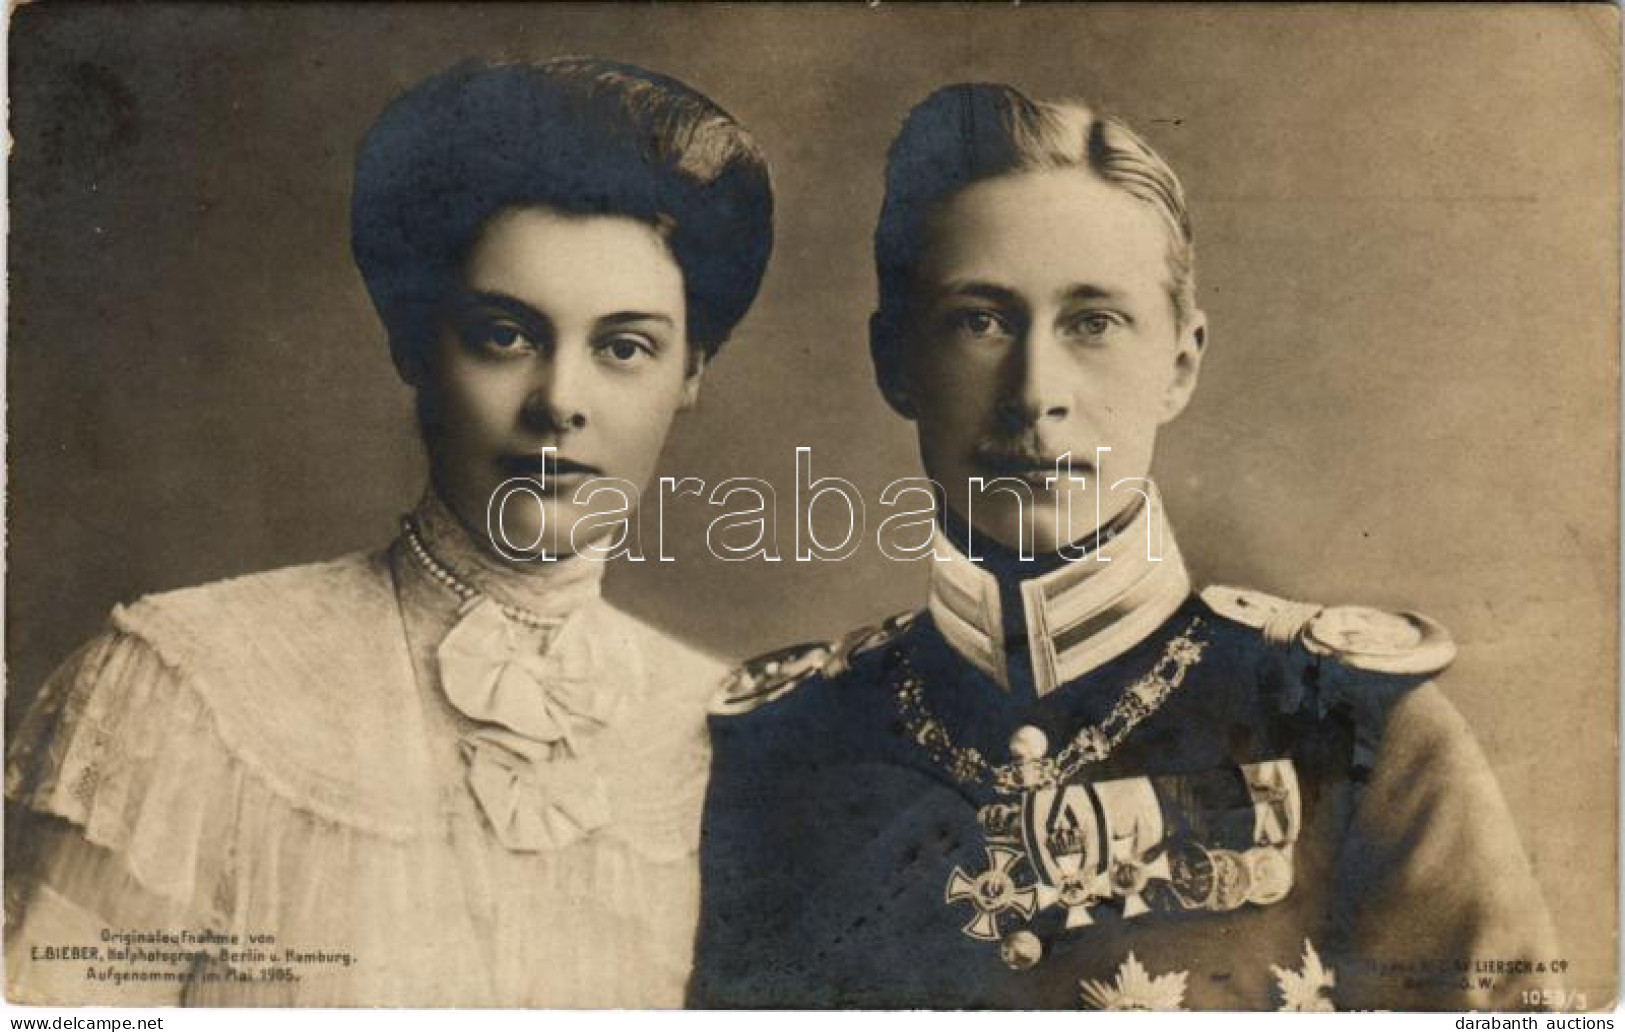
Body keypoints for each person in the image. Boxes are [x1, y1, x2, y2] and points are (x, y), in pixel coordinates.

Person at [690, 83, 1557, 1011]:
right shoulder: (780, 748)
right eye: (979, 319)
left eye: (1092, 323)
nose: (1035, 391)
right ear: (893, 362)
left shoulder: (1358, 728)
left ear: (1179, 362)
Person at [6, 57, 773, 1007]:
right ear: (414, 341)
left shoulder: (737, 741)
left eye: (624, 348)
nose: (559, 402)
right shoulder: (192, 691)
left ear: (690, 370)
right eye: (505, 335)